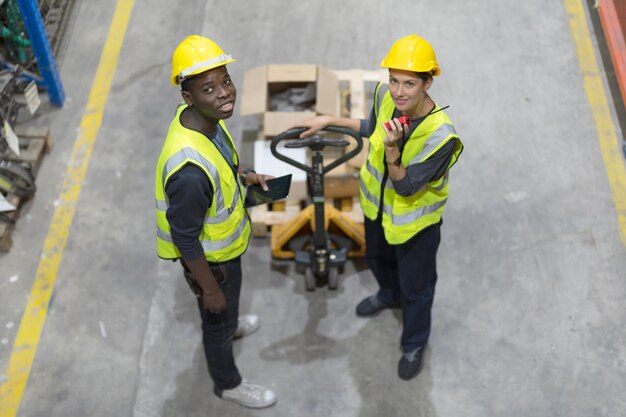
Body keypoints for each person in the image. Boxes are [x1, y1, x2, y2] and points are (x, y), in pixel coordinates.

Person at [296, 34, 463, 380]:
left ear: (428, 83)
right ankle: (388, 295)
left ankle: (414, 342)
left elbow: (406, 185)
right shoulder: (384, 96)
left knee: (417, 289)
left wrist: (392, 152)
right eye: (394, 80)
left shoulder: (442, 137)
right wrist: (329, 120)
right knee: (376, 259)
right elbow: (372, 128)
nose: (399, 92)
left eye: (409, 84)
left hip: (416, 226)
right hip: (377, 209)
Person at [155, 35, 277, 408]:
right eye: (209, 88)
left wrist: (246, 175)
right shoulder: (188, 173)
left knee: (228, 307)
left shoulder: (205, 120)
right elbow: (185, 239)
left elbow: (222, 159)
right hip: (211, 263)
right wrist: (209, 289)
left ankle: (231, 319)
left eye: (225, 80)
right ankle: (227, 383)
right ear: (187, 97)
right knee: (216, 320)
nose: (225, 93)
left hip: (227, 250)